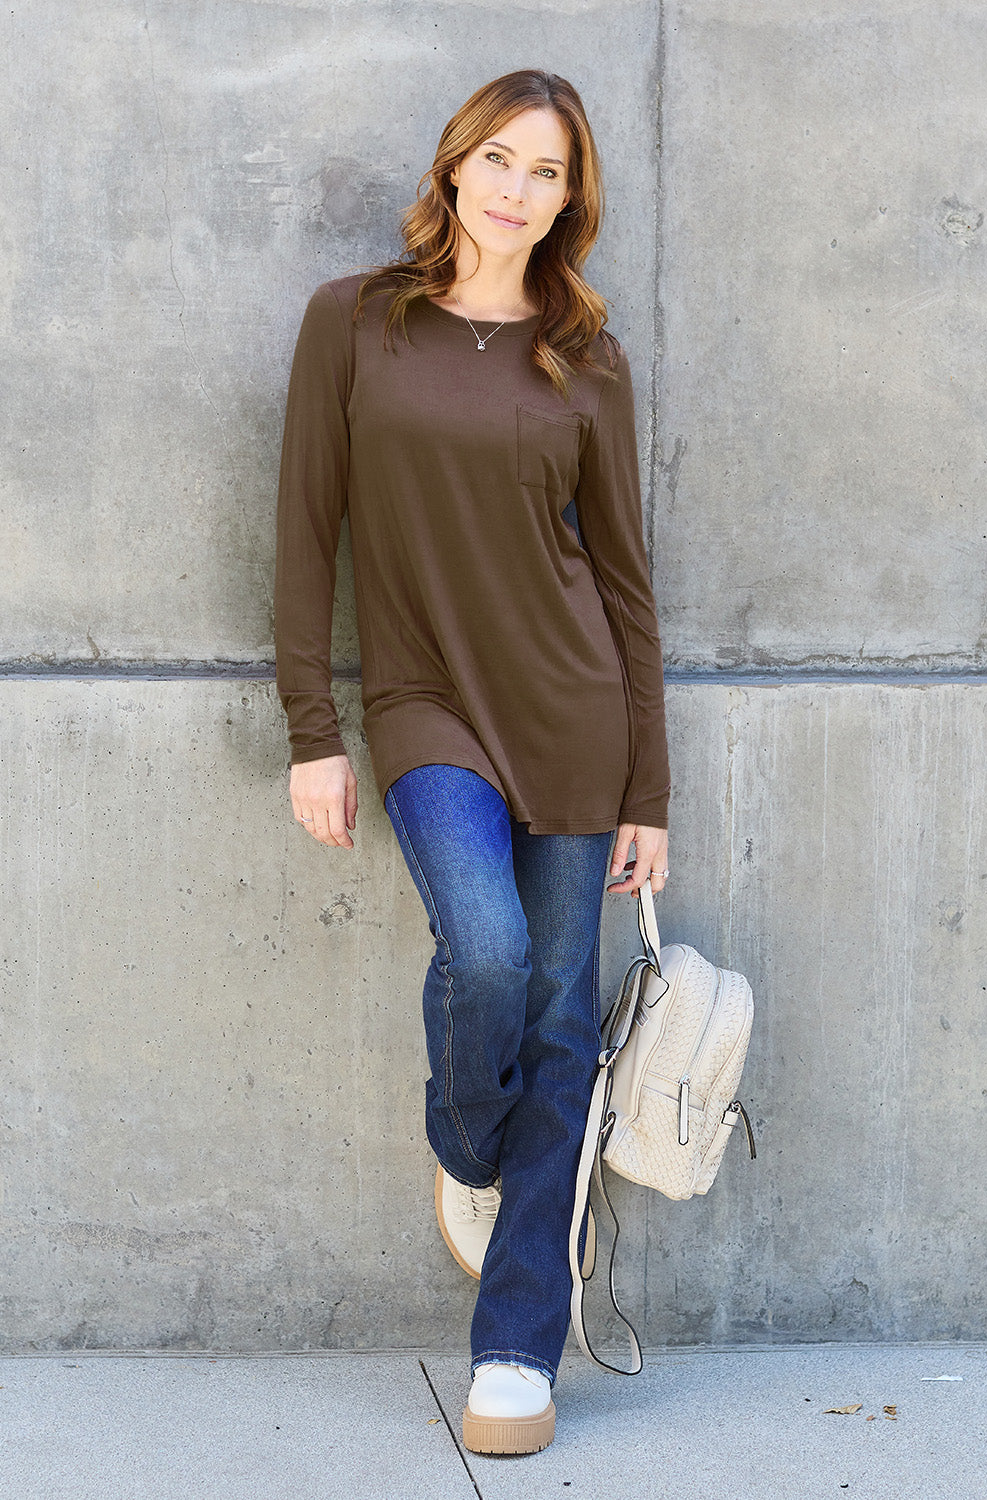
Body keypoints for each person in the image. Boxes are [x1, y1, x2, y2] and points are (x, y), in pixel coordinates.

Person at [274, 69, 670, 1457]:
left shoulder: (589, 358)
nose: (514, 189)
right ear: (453, 170)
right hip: (426, 703)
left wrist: (651, 794)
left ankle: (515, 1352)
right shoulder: (359, 321)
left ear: (572, 200)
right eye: (495, 159)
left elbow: (624, 585)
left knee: (565, 1016)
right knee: (491, 956)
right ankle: (467, 1143)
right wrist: (309, 735)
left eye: (544, 172)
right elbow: (303, 535)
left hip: (573, 714)